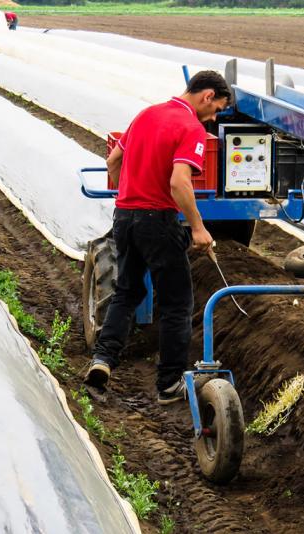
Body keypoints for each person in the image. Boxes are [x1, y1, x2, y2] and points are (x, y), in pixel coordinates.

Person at [84, 71, 230, 405]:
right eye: (218, 108)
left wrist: (128, 197)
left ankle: (103, 360)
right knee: (177, 304)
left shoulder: (146, 114)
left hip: (124, 216)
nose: (215, 116)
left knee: (128, 291)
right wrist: (197, 227)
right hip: (157, 219)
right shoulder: (191, 127)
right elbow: (179, 183)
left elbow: (113, 160)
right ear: (207, 95)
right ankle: (168, 385)